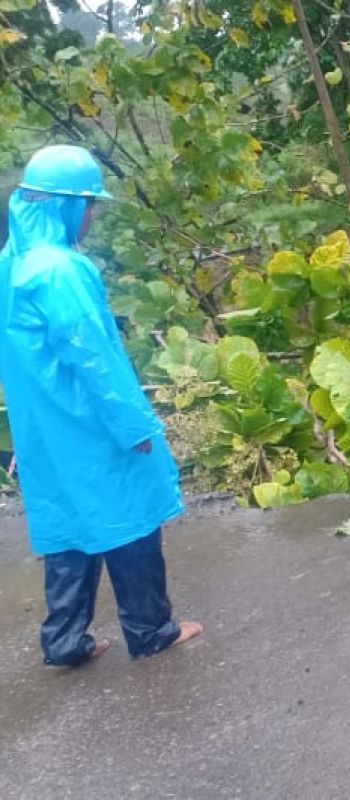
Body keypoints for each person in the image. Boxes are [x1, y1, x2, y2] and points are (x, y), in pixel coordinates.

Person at [0, 145, 201, 666]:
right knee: (128, 516)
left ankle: (64, 642)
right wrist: (132, 425)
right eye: (90, 205)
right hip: (87, 422)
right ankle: (151, 630)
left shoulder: (11, 260)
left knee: (68, 524)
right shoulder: (62, 269)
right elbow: (94, 358)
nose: (93, 216)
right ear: (67, 205)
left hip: (44, 426)